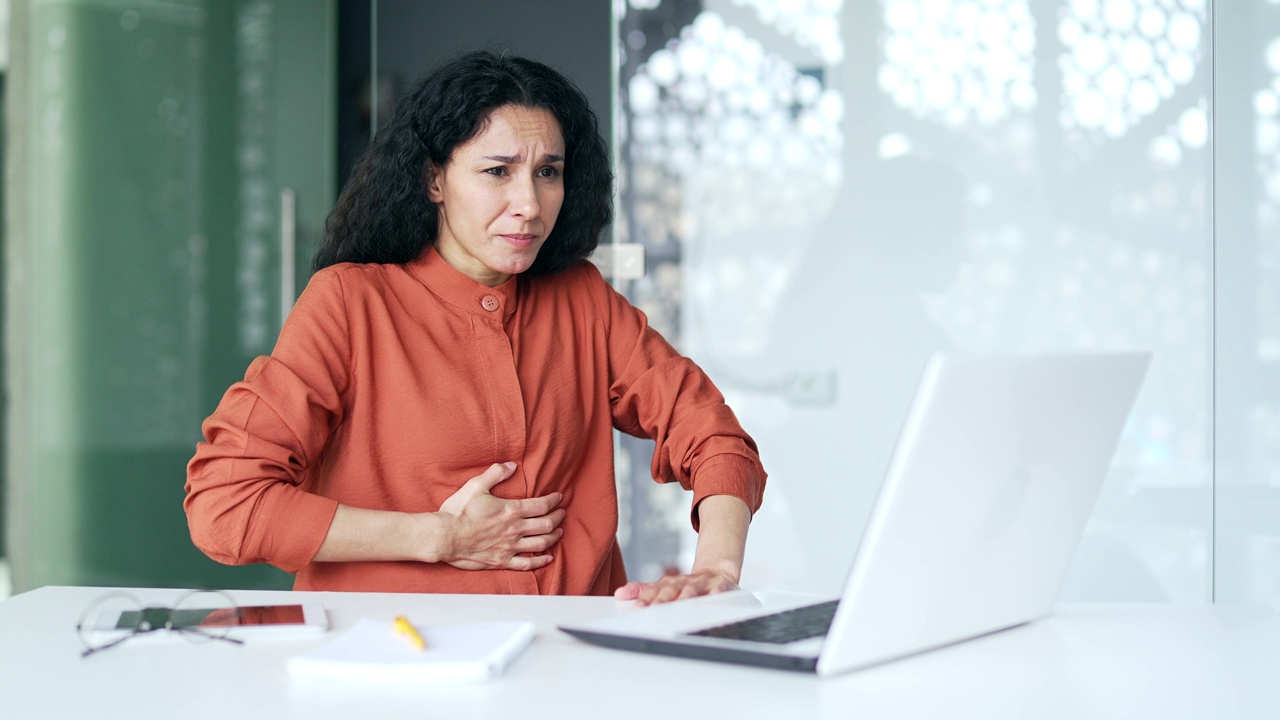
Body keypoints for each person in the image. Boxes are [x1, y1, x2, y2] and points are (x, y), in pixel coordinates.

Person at [184, 50, 766, 607]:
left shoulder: (582, 299)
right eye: (497, 171)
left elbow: (713, 436)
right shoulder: (349, 303)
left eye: (547, 172)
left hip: (570, 658)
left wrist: (715, 568)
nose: (530, 204)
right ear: (434, 180)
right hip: (391, 659)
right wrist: (438, 536)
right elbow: (225, 505)